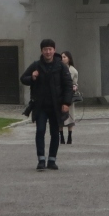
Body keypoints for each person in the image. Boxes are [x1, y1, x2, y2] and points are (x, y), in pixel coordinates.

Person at [19, 38, 73, 171]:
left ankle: (52, 160)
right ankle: (41, 159)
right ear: (41, 51)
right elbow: (23, 79)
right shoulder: (36, 65)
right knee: (40, 131)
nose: (48, 52)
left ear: (54, 50)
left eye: (50, 49)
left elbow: (68, 85)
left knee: (55, 133)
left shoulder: (61, 66)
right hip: (40, 105)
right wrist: (32, 77)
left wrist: (66, 102)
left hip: (56, 105)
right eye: (45, 49)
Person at [60, 51, 79, 145]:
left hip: (69, 96)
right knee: (60, 116)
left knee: (70, 116)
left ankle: (70, 136)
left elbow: (75, 83)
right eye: (62, 57)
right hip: (59, 96)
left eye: (64, 57)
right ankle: (61, 136)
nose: (63, 58)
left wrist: (74, 87)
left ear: (69, 58)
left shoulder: (73, 71)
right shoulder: (58, 68)